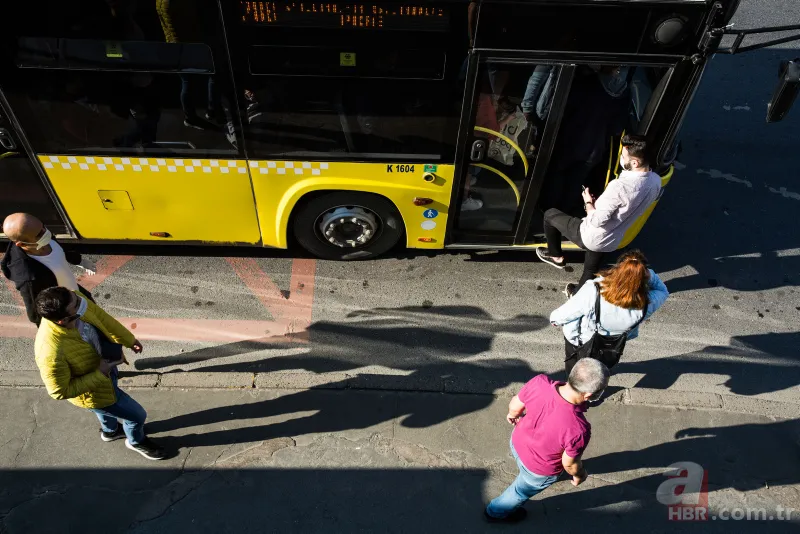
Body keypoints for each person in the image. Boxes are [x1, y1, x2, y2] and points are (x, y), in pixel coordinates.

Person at [34, 287, 166, 460]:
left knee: (107, 410)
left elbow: (102, 318)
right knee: (137, 415)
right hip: (94, 393)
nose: (82, 301)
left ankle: (110, 432)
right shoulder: (50, 352)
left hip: (105, 372)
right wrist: (100, 372)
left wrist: (128, 339)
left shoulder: (73, 299)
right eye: (77, 303)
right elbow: (59, 391)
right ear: (63, 320)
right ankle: (136, 441)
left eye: (76, 297)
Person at [484, 358, 609, 523]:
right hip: (539, 469)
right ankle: (495, 512)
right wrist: (580, 475)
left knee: (521, 467)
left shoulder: (539, 383)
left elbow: (515, 404)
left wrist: (513, 415)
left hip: (517, 442)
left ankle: (518, 474)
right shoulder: (578, 429)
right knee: (519, 492)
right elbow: (569, 463)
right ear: (589, 395)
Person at [536, 134, 662, 296]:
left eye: (623, 157)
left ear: (635, 162)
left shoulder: (619, 187)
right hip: (612, 239)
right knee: (590, 269)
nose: (621, 159)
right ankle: (576, 294)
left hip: (591, 235)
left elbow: (596, 221)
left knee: (550, 215)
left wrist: (588, 202)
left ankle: (556, 256)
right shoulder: (655, 181)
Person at [550, 250, 669, 375]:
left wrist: (554, 320)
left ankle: (575, 386)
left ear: (617, 269)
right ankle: (594, 389)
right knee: (598, 371)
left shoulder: (594, 290)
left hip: (581, 341)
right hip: (611, 347)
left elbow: (565, 314)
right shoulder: (647, 304)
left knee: (574, 369)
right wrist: (643, 273)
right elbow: (663, 291)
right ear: (644, 277)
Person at [2, 212, 95, 325]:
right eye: (39, 234)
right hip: (69, 311)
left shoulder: (42, 238)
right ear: (21, 244)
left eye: (43, 226)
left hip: (79, 295)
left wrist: (80, 261)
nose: (46, 233)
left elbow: (61, 251)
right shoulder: (28, 278)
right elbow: (35, 314)